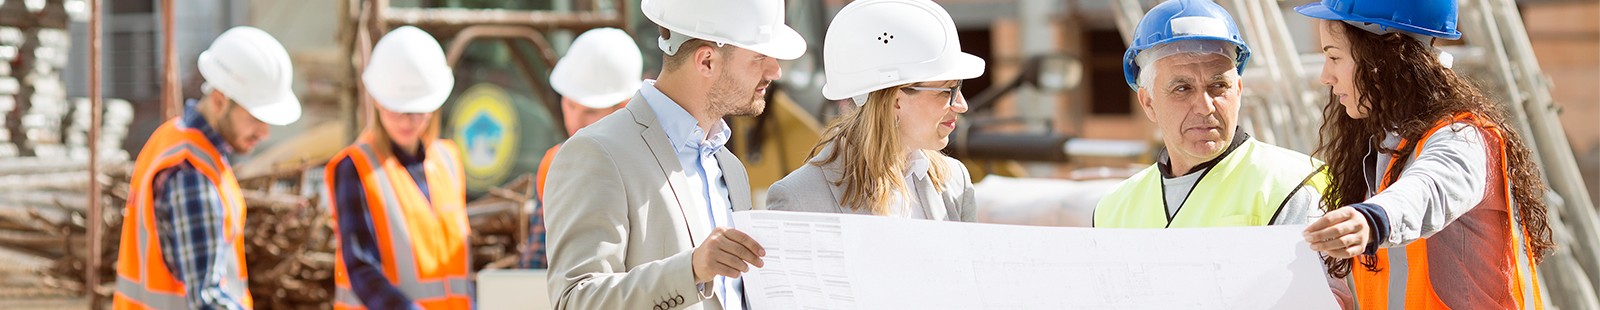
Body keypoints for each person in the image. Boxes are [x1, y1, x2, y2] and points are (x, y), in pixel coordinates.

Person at [540, 0, 805, 308]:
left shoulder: (730, 167)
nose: (775, 70)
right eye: (760, 56)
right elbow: (575, 299)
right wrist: (690, 269)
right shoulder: (598, 153)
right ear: (706, 61)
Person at [1296, 0, 1552, 308]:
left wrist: (1373, 219)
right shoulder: (1384, 147)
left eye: (1334, 57)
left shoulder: (1462, 139)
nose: (1326, 76)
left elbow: (1426, 191)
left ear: (1384, 56)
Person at [1094, 0, 1328, 230]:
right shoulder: (1114, 209)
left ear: (1238, 90)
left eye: (1218, 86)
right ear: (1148, 103)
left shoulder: (1294, 185)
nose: (1205, 107)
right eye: (1182, 89)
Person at [115, 26, 300, 309]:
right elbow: (208, 300)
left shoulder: (174, 136)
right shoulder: (191, 174)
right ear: (219, 100)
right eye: (255, 118)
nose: (264, 133)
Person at [765, 0, 981, 221]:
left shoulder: (955, 181)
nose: (961, 105)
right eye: (947, 91)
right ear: (896, 101)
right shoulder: (798, 199)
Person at [326, 26, 471, 309]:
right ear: (377, 100)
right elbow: (360, 266)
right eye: (398, 109)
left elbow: (460, 268)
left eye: (417, 111)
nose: (407, 120)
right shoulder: (354, 167)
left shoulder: (449, 161)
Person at [525, 27, 643, 269]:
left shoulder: (652, 165)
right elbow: (537, 261)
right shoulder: (554, 163)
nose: (575, 122)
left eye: (590, 111)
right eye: (569, 105)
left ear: (624, 106)